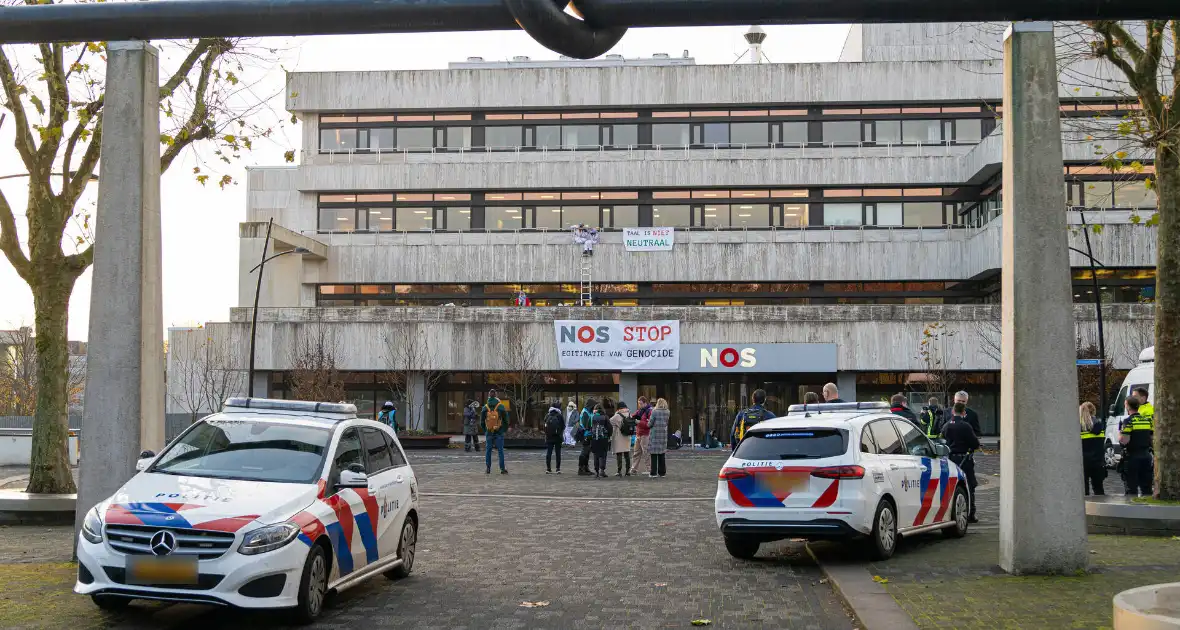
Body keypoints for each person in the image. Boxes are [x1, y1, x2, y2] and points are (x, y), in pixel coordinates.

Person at [941, 402, 980, 523]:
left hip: (951, 459)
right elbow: (975, 444)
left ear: (953, 412)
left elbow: (943, 441)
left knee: (952, 486)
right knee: (969, 485)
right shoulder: (966, 426)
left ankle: (952, 513)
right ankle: (971, 513)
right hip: (964, 459)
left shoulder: (946, 426)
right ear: (964, 413)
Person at [1120, 396, 1154, 497]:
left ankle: (1132, 510)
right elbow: (1152, 438)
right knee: (1146, 487)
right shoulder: (1147, 420)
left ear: (1127, 406)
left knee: (1131, 487)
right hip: (1146, 456)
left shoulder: (1128, 421)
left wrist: (1120, 433)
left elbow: (1124, 441)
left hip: (1132, 457)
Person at [1079, 401, 1106, 496]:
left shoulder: (1079, 427)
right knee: (1099, 489)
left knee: (1084, 491)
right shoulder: (1100, 426)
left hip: (1083, 462)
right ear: (1094, 411)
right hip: (1098, 461)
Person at [480, 389, 509, 475]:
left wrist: (486, 430)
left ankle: (488, 468)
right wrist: (503, 429)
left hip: (489, 431)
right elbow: (506, 420)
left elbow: (481, 421)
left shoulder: (485, 407)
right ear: (496, 395)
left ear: (489, 396)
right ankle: (502, 469)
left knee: (488, 450)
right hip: (499, 431)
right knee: (500, 450)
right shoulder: (501, 406)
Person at [590, 400, 614, 478]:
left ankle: (596, 471)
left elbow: (589, 427)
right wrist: (609, 436)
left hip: (595, 438)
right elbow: (610, 428)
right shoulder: (605, 417)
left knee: (596, 455)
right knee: (603, 455)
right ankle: (602, 470)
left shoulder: (593, 417)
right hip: (604, 438)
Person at [629, 397, 652, 475]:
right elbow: (632, 416)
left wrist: (639, 422)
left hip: (645, 434)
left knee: (646, 453)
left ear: (645, 403)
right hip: (638, 434)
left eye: (641, 403)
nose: (639, 405)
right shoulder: (639, 411)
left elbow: (649, 425)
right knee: (636, 452)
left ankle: (649, 469)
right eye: (638, 403)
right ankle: (633, 469)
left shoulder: (649, 411)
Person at [648, 398, 670, 478]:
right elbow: (666, 423)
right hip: (663, 435)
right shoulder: (667, 412)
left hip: (655, 435)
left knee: (654, 455)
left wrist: (648, 423)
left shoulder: (654, 411)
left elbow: (650, 423)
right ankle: (662, 472)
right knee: (662, 454)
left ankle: (653, 473)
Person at [611, 401, 632, 476]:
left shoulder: (617, 415)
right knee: (627, 454)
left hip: (619, 437)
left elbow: (610, 421)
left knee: (619, 454)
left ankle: (619, 471)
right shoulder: (629, 414)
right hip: (627, 436)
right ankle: (628, 471)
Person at [576, 398, 597, 476]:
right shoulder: (585, 412)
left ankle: (586, 468)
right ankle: (581, 469)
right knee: (584, 452)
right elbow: (586, 425)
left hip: (589, 434)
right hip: (585, 435)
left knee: (587, 452)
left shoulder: (588, 411)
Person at [543, 402, 565, 474]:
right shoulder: (559, 415)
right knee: (558, 453)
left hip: (549, 437)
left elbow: (544, 426)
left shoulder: (547, 415)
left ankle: (548, 469)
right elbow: (563, 426)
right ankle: (558, 469)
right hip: (558, 437)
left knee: (549, 452)